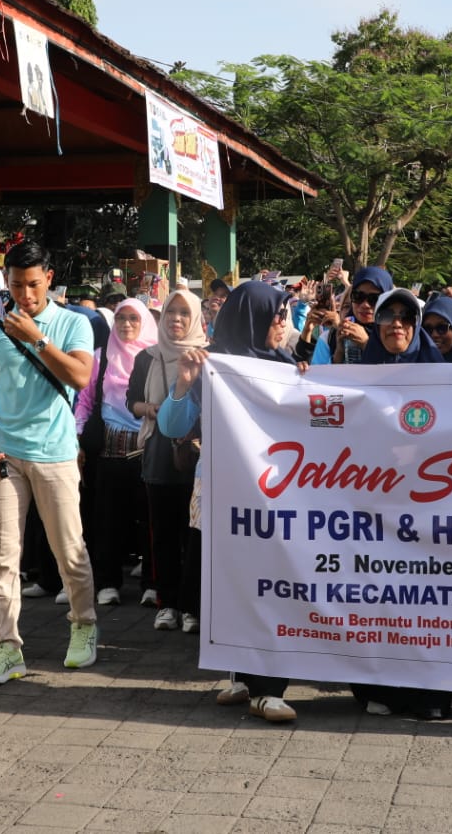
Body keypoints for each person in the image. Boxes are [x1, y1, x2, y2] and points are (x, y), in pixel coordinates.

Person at [159, 281, 301, 722]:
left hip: (276, 499)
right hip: (224, 496)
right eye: (277, 315)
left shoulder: (286, 366)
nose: (283, 324)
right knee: (233, 585)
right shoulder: (213, 367)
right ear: (252, 318)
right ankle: (242, 677)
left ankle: (269, 686)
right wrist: (184, 383)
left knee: (272, 586)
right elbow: (170, 425)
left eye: (284, 315)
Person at [0, 240, 98, 683]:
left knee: (70, 551)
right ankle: (7, 648)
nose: (25, 294)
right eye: (17, 285)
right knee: (3, 557)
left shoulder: (74, 323)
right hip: (4, 455)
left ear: (49, 279)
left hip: (56, 454)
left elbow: (80, 376)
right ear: (6, 282)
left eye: (33, 284)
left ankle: (84, 625)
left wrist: (37, 339)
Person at [348, 287, 452, 721]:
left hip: (430, 513)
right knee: (378, 597)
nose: (398, 323)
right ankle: (378, 690)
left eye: (407, 317)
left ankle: (431, 696)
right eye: (388, 315)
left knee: (429, 600)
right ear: (375, 324)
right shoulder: (352, 377)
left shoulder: (448, 374)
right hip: (373, 510)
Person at [130, 288, 209, 633]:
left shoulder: (208, 356)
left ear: (195, 319)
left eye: (184, 313)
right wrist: (150, 409)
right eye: (170, 313)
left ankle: (192, 605)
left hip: (198, 456)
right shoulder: (147, 357)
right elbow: (132, 400)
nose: (176, 319)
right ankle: (167, 603)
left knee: (195, 538)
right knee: (162, 534)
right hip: (160, 456)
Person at [75, 298, 157, 606]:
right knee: (107, 519)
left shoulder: (154, 357)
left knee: (149, 521)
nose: (126, 325)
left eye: (133, 319)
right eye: (121, 318)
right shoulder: (101, 357)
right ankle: (107, 582)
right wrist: (80, 436)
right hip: (109, 448)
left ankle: (152, 582)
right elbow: (85, 400)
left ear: (145, 322)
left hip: (146, 447)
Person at [330, 266, 392, 364]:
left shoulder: (395, 332)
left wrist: (366, 344)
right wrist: (339, 351)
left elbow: (396, 374)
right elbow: (328, 376)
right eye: (358, 296)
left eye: (374, 299)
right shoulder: (338, 332)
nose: (365, 305)